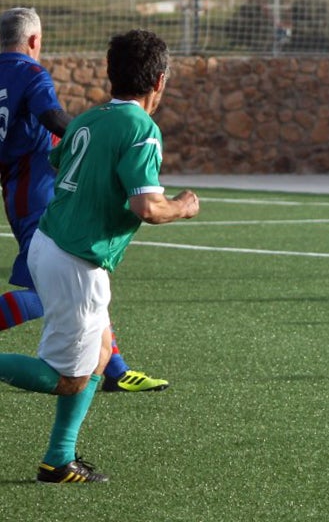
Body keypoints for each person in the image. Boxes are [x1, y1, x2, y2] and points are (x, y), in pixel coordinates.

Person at [0, 29, 199, 483]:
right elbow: (146, 207)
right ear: (160, 81)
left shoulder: (88, 120)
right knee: (65, 377)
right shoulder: (142, 129)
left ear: (110, 76)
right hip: (77, 260)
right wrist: (184, 206)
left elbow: (58, 164)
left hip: (49, 243)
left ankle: (58, 458)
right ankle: (57, 458)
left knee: (102, 349)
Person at [0, 7, 170, 393]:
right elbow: (53, 117)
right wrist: (89, 139)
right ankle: (110, 370)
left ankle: (114, 368)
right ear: (34, 41)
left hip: (18, 188)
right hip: (40, 184)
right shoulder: (30, 71)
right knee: (52, 286)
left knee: (83, 281)